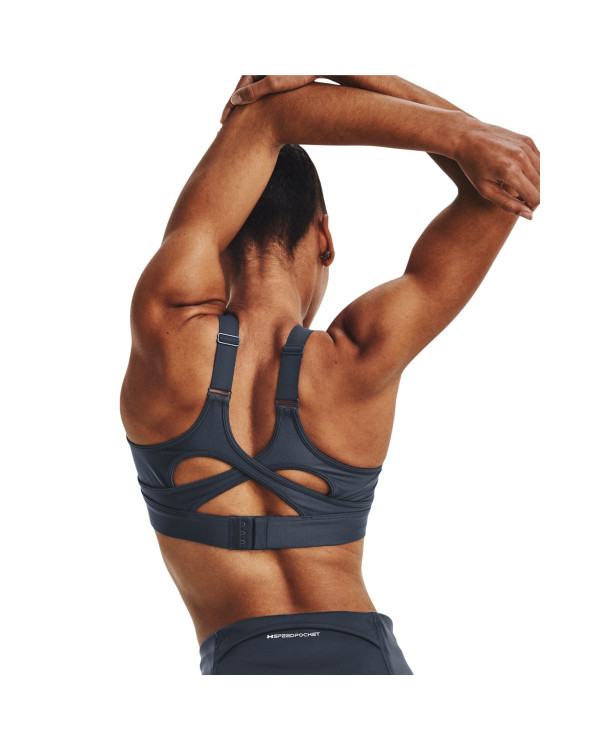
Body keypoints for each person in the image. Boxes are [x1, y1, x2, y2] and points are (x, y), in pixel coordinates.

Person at [120, 75, 540, 675]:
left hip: (242, 664)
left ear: (220, 237)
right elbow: (507, 180)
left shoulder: (166, 329)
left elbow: (265, 122)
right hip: (360, 658)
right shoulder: (361, 356)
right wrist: (388, 86)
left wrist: (455, 135)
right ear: (324, 236)